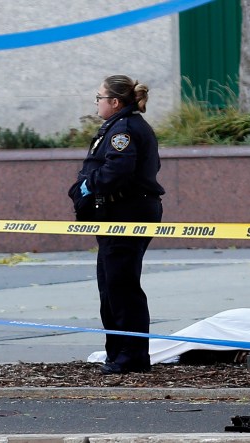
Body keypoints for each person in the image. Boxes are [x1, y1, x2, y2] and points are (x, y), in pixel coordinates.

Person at [68, 75, 165, 375]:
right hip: (117, 213)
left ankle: (132, 356)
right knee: (111, 285)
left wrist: (87, 187)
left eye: (99, 97)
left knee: (122, 287)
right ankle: (118, 352)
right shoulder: (118, 125)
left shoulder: (124, 129)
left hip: (127, 214)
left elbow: (118, 170)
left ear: (114, 101)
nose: (96, 103)